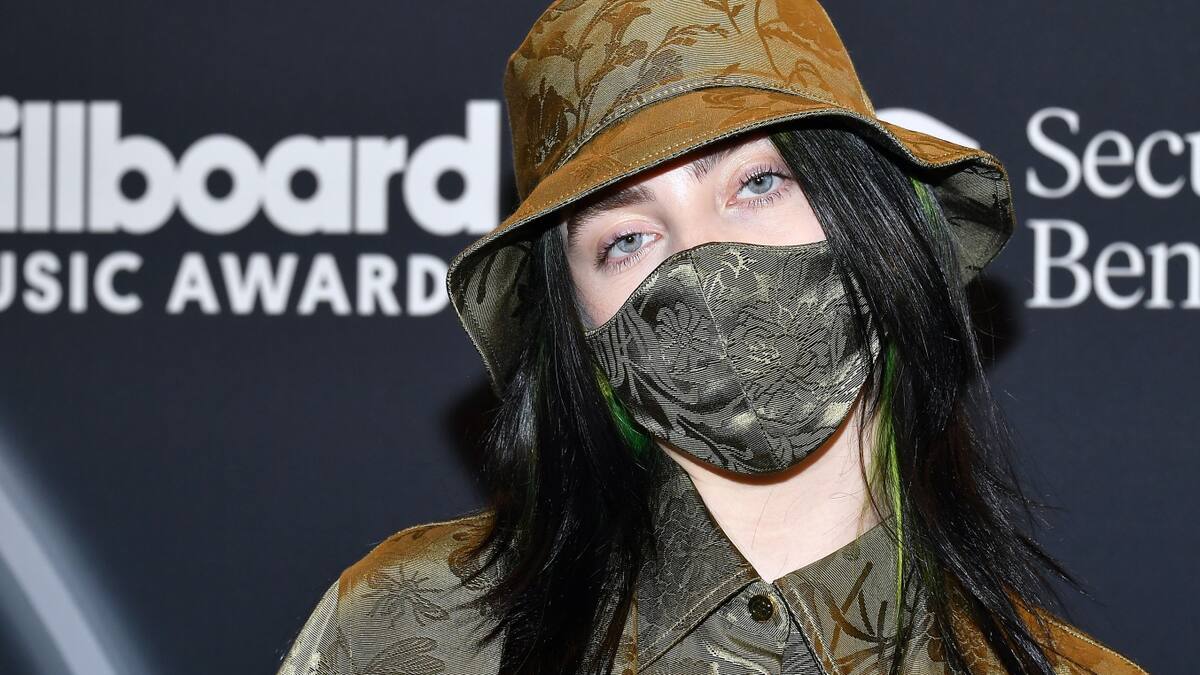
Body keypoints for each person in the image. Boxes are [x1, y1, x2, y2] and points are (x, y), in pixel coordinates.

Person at [275, 1, 1148, 673]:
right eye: (626, 239)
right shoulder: (403, 630)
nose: (703, 263)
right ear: (580, 331)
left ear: (874, 220)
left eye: (757, 183)